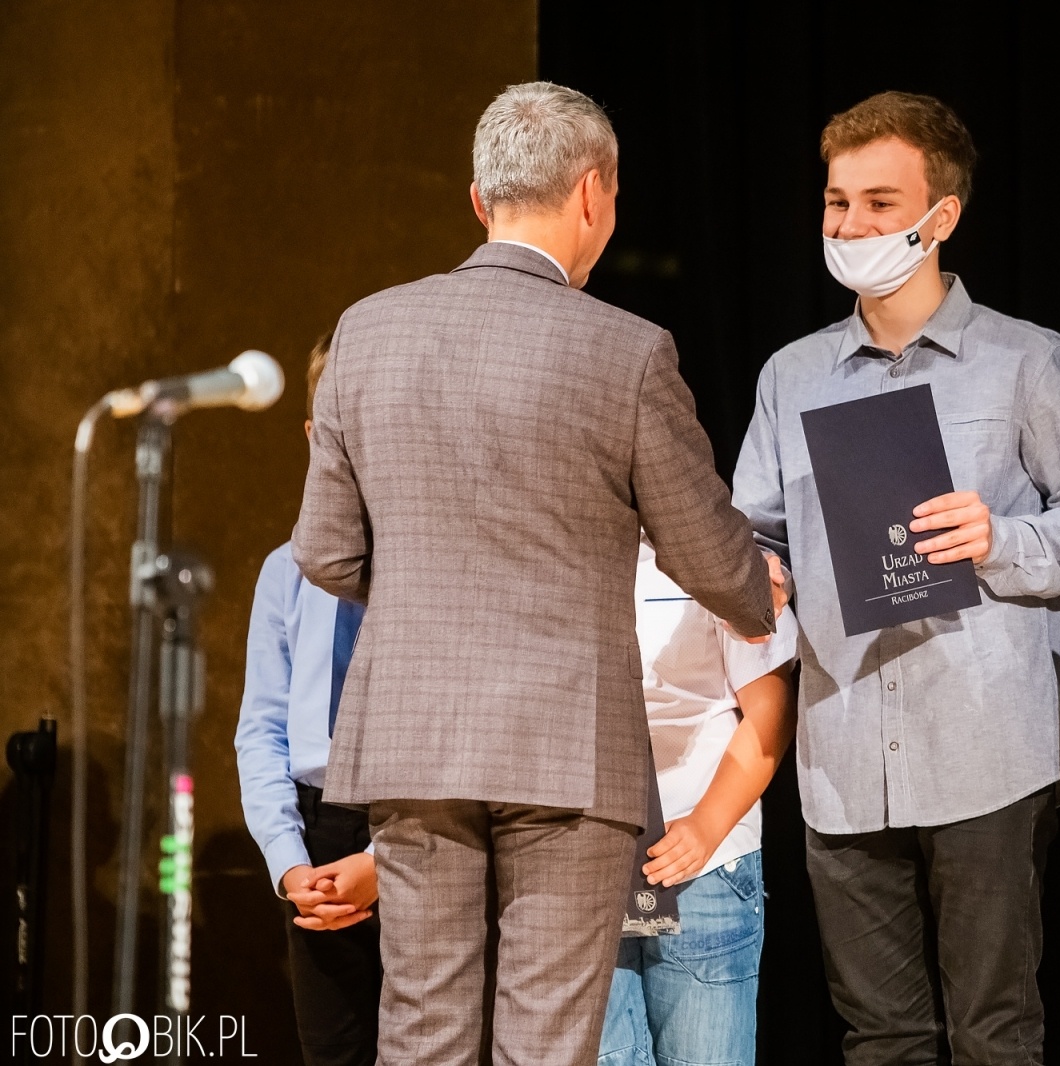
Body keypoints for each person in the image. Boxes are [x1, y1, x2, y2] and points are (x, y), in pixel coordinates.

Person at [292, 81, 786, 1066]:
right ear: (594, 193)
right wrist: (751, 586)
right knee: (548, 1039)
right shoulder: (626, 351)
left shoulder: (366, 332)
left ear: (480, 199)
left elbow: (327, 552)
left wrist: (435, 594)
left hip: (416, 736)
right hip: (569, 746)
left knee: (421, 1029)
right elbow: (705, 554)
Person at [733, 91, 1060, 1065]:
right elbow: (751, 531)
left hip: (987, 742)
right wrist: (760, 571)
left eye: (880, 204)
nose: (850, 226)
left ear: (940, 217)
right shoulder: (791, 375)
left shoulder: (1024, 360)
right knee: (879, 1038)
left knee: (994, 1032)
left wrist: (999, 538)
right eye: (837, 203)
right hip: (841, 749)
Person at [597, 532, 798, 1066]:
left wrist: (707, 825)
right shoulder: (553, 547)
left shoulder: (714, 550)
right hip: (582, 862)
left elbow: (770, 708)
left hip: (704, 866)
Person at [236, 333, 379, 1066]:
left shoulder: (428, 568)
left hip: (417, 826)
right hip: (316, 830)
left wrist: (383, 861)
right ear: (312, 435)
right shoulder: (284, 572)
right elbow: (261, 729)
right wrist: (291, 866)